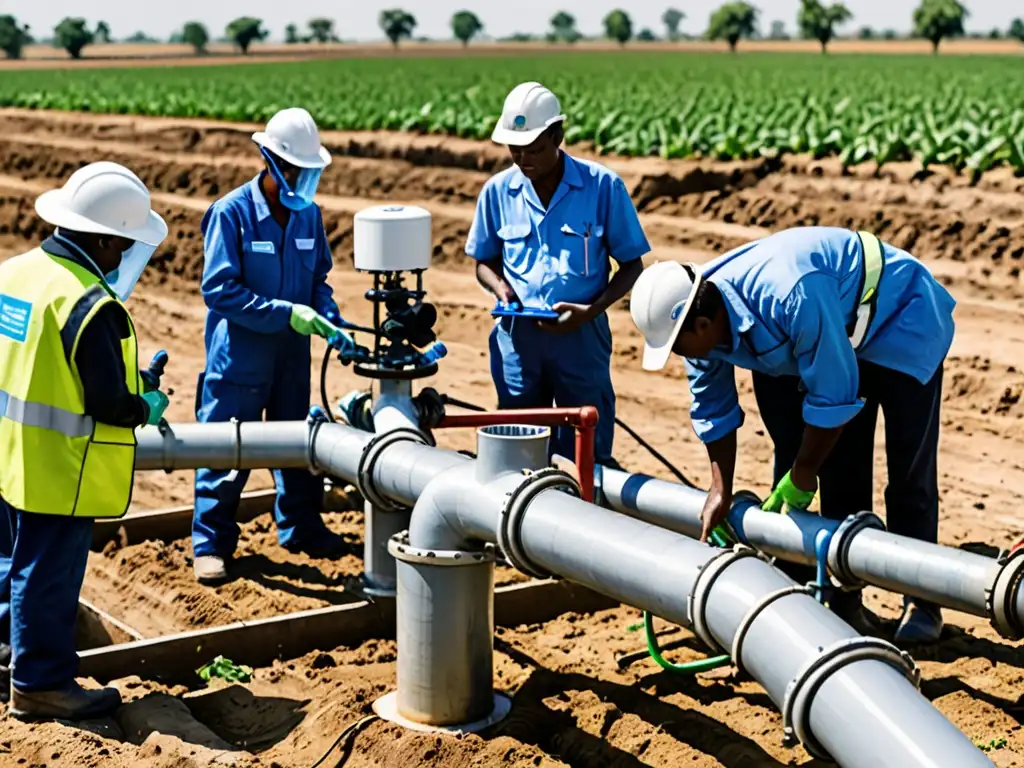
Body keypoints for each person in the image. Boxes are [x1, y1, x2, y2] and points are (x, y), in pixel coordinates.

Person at [629, 226, 956, 645]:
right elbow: (713, 407)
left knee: (908, 470)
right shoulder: (697, 323)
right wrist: (720, 488)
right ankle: (846, 596)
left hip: (900, 318)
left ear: (704, 323)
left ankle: (923, 599)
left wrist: (802, 473)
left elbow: (834, 395)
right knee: (842, 466)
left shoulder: (788, 293)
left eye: (678, 346)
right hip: (836, 328)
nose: (679, 355)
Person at [0, 161, 170, 719]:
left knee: (10, 565)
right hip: (58, 469)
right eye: (121, 244)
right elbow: (108, 405)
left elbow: (41, 362)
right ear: (99, 238)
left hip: (8, 457)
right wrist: (144, 402)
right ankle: (40, 684)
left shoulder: (16, 273)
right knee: (46, 579)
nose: (123, 257)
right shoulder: (91, 305)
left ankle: (9, 658)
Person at [192, 107, 355, 584]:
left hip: (291, 358)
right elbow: (219, 291)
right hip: (240, 358)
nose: (303, 179)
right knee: (226, 448)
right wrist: (287, 313)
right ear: (270, 161)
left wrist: (328, 316)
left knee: (295, 444)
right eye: (296, 170)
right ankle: (211, 543)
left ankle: (301, 526)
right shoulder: (232, 213)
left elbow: (318, 279)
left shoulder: (309, 217)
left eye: (310, 172)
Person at [466, 82, 651, 465]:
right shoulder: (497, 192)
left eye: (533, 149)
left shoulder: (602, 188)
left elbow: (632, 265)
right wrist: (501, 289)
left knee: (585, 450)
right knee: (518, 445)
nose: (523, 159)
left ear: (558, 136)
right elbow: (483, 261)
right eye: (515, 150)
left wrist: (593, 310)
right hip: (519, 340)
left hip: (580, 337)